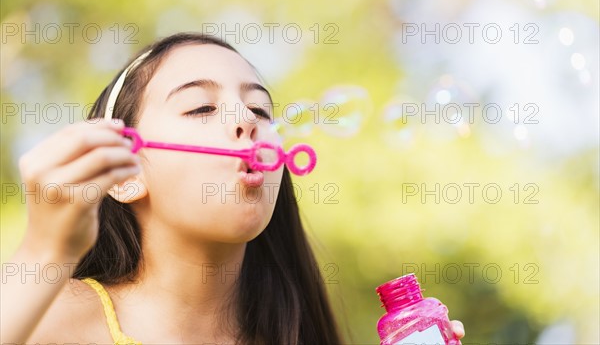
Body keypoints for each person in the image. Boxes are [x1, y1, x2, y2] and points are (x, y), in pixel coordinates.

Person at [1, 32, 464, 344]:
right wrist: (45, 250)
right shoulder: (53, 318)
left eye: (261, 111)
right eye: (202, 108)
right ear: (125, 174)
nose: (246, 121)